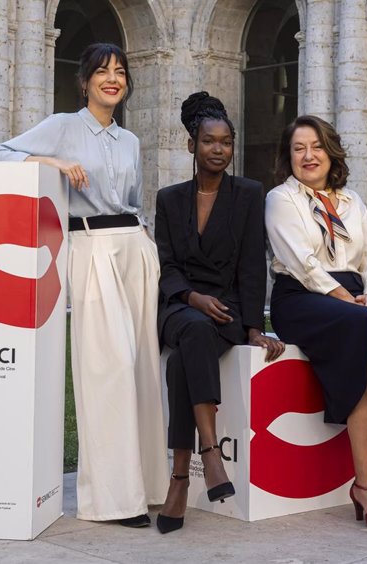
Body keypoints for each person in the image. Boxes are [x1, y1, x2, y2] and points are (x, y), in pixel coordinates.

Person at [0, 43, 169, 527]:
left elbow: (130, 199)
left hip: (135, 248)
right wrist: (53, 166)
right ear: (85, 80)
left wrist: (145, 241)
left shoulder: (130, 140)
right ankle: (112, 499)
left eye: (121, 72)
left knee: (144, 370)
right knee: (106, 369)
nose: (113, 79)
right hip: (89, 249)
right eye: (103, 71)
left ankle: (148, 486)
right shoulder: (63, 127)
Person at [265, 115, 367, 530]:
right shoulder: (281, 199)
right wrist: (351, 302)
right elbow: (303, 265)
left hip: (353, 300)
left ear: (330, 151)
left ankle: (364, 489)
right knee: (365, 328)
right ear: (289, 156)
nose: (308, 155)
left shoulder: (353, 201)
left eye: (316, 146)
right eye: (299, 148)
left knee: (365, 366)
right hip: (302, 298)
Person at [154, 92, 285, 534]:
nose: (218, 149)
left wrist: (252, 327)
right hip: (180, 305)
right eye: (209, 141)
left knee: (180, 368)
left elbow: (252, 263)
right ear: (192, 145)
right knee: (191, 330)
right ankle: (210, 453)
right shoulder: (169, 199)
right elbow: (167, 266)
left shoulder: (249, 194)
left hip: (226, 312)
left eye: (226, 142)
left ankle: (178, 480)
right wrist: (192, 298)